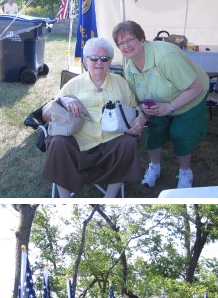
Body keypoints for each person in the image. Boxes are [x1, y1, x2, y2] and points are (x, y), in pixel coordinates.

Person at [40, 36, 146, 197]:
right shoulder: (74, 84)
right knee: (58, 143)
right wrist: (63, 100)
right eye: (93, 58)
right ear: (85, 60)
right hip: (78, 143)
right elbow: (46, 113)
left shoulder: (120, 82)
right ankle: (64, 199)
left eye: (104, 59)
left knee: (129, 143)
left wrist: (141, 117)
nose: (99, 63)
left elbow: (134, 107)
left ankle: (110, 196)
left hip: (112, 141)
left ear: (110, 61)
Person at [112, 20, 211, 189]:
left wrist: (170, 107)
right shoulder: (128, 65)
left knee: (180, 134)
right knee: (154, 131)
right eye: (121, 42)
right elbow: (135, 98)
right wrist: (143, 110)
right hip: (160, 103)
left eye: (130, 39)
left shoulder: (165, 56)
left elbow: (196, 87)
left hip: (190, 95)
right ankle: (154, 168)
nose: (126, 46)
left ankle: (185, 173)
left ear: (142, 39)